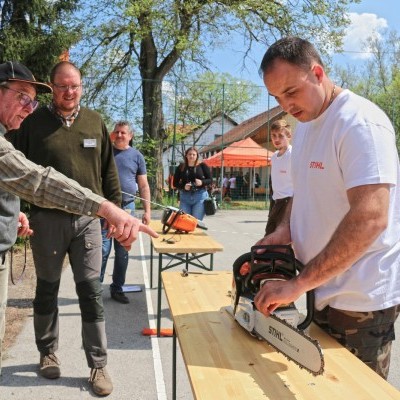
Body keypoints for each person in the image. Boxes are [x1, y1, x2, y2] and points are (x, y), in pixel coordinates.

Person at [0, 61, 158, 383]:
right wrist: (19, 206)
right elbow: (24, 175)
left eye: (75, 86)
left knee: (90, 291)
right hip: (47, 223)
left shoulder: (95, 122)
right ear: (54, 88)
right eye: (62, 86)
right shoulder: (33, 122)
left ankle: (98, 365)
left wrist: (113, 210)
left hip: (89, 221)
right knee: (47, 288)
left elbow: (107, 172)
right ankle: (47, 352)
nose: (69, 92)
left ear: (81, 87)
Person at [254, 36, 400, 379]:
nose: (286, 105)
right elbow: (303, 192)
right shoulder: (304, 126)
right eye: (277, 97)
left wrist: (298, 283)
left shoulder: (360, 123)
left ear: (317, 72)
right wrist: (283, 231)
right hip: (319, 287)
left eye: (291, 92)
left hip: (358, 298)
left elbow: (371, 218)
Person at [100, 121, 151, 304]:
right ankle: (95, 292)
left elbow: (144, 185)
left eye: (123, 132)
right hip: (105, 210)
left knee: (122, 252)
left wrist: (147, 211)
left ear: (130, 136)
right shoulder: (104, 153)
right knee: (103, 250)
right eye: (117, 132)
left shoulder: (137, 156)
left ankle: (117, 288)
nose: (120, 135)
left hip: (128, 208)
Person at [264, 120, 293, 236]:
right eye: (273, 136)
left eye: (280, 136)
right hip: (275, 200)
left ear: (289, 136)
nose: (276, 139)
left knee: (273, 236)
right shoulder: (274, 157)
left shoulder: (293, 154)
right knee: (271, 234)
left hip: (288, 201)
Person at [173, 147, 212, 220]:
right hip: (185, 197)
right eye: (190, 154)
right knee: (185, 221)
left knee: (195, 221)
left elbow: (210, 180)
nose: (192, 156)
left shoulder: (202, 166)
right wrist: (183, 186)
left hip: (200, 196)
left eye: (194, 154)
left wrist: (202, 182)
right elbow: (175, 183)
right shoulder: (181, 167)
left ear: (197, 156)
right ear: (186, 155)